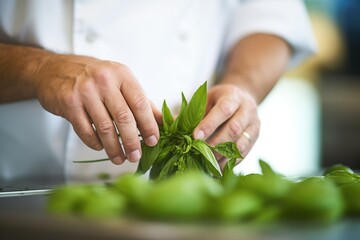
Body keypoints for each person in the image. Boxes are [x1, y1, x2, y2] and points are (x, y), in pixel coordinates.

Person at [0, 0, 316, 183]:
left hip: (167, 196)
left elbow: (271, 16)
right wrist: (36, 68)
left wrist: (242, 85)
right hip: (11, 182)